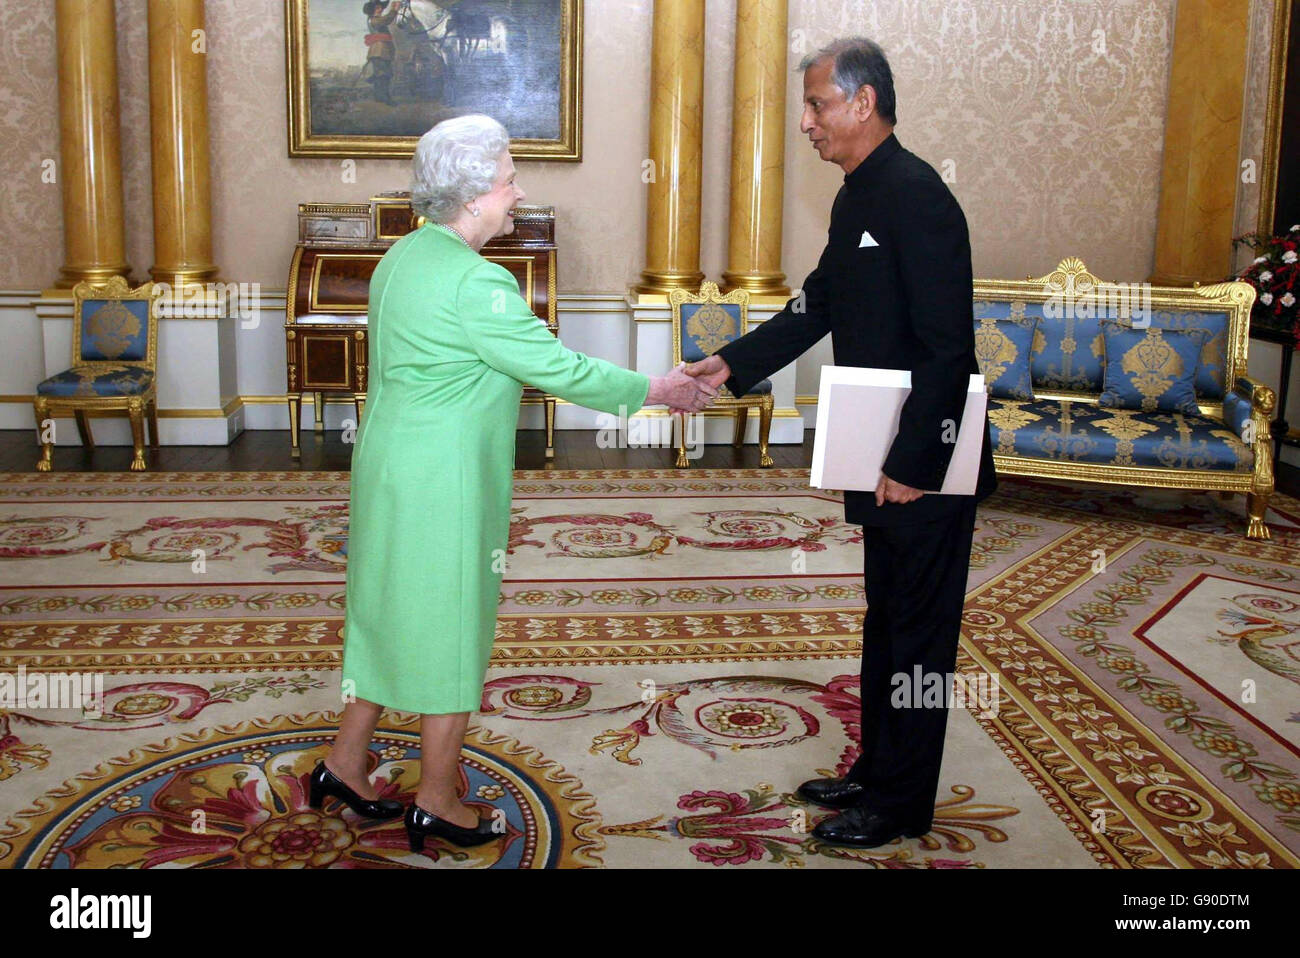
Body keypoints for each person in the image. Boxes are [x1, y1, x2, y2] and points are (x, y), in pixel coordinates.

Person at [313, 114, 717, 850]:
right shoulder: (479, 284)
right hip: (444, 483)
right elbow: (562, 370)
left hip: (387, 470)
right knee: (450, 627)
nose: (516, 193)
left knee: (385, 610)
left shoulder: (401, 256)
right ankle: (436, 799)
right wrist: (659, 389)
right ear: (471, 197)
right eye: (507, 181)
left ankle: (344, 764)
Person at [686, 37, 997, 848]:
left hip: (923, 456)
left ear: (863, 104)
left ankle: (901, 805)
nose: (806, 122)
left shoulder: (918, 195)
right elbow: (818, 301)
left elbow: (947, 346)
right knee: (886, 616)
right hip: (881, 446)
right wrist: (731, 363)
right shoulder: (860, 194)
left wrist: (913, 464)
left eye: (818, 104)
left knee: (921, 635)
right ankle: (877, 769)